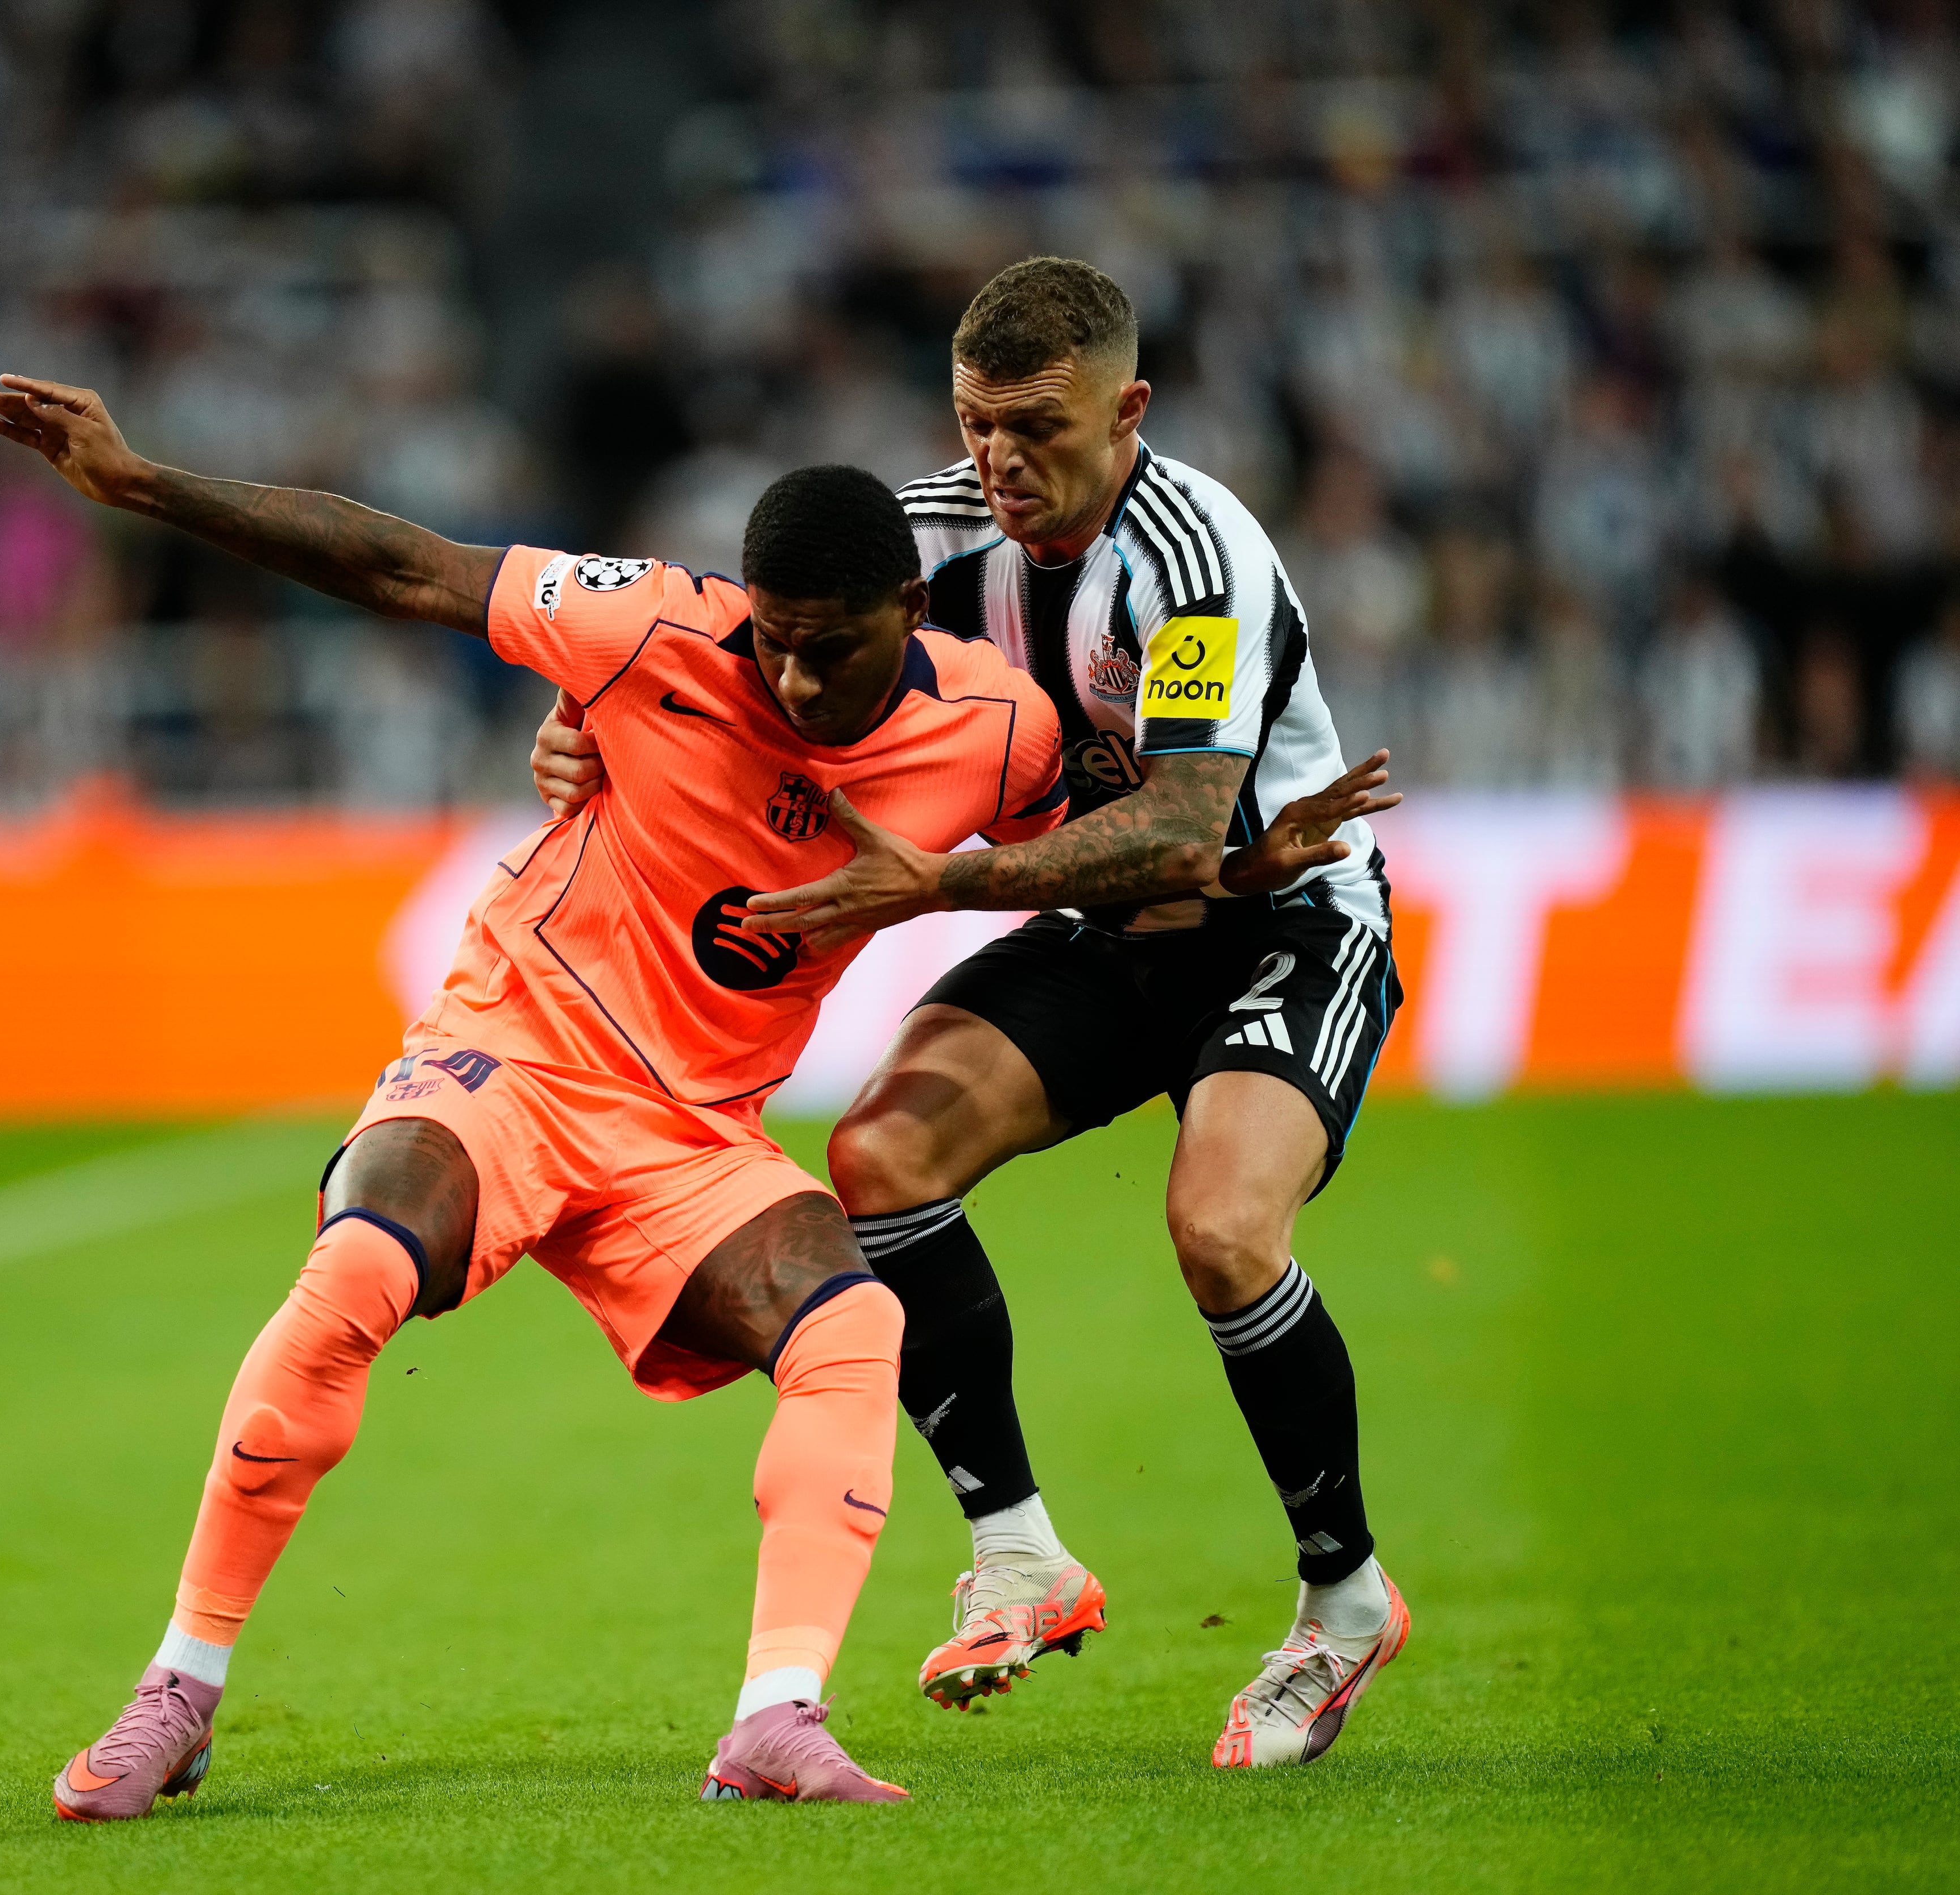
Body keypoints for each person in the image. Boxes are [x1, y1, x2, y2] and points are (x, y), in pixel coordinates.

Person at [0, 367, 1349, 1814]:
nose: (797, 682)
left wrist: (1239, 859)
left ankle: (775, 1719)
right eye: (777, 648)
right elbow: (405, 561)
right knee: (360, 1263)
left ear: (909, 616)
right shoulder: (649, 628)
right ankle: (177, 1690)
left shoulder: (995, 729)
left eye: (832, 653)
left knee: (854, 1321)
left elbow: (1112, 836)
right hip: (515, 1048)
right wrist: (147, 485)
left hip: (694, 1134)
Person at [530, 257, 1412, 1770]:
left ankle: (1343, 1598)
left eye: (1039, 427)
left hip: (1283, 920)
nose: (1003, 459)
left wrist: (943, 878)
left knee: (1219, 1227)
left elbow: (1188, 828)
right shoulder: (928, 532)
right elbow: (731, 668)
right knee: (877, 1158)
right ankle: (1020, 1554)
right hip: (1101, 931)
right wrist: (584, 733)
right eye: (978, 422)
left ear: (1129, 410)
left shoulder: (1200, 558)